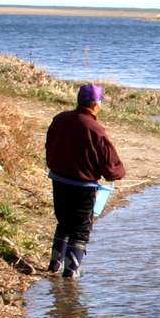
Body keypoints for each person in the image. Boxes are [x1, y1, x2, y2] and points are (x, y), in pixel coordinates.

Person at [45, 83, 126, 278]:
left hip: (59, 180)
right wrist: (117, 173)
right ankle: (71, 274)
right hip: (82, 187)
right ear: (96, 104)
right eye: (100, 103)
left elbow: (49, 145)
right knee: (80, 229)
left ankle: (54, 266)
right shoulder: (94, 128)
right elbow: (110, 165)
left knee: (63, 222)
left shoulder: (60, 119)